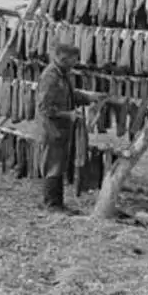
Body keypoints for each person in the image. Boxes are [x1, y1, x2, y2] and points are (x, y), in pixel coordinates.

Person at [35, 42, 104, 211]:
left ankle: (56, 203)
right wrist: (69, 115)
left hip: (61, 130)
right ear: (63, 58)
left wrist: (89, 98)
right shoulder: (50, 78)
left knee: (58, 166)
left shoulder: (63, 75)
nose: (75, 62)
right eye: (73, 59)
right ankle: (51, 204)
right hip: (51, 130)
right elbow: (44, 108)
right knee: (53, 166)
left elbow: (70, 95)